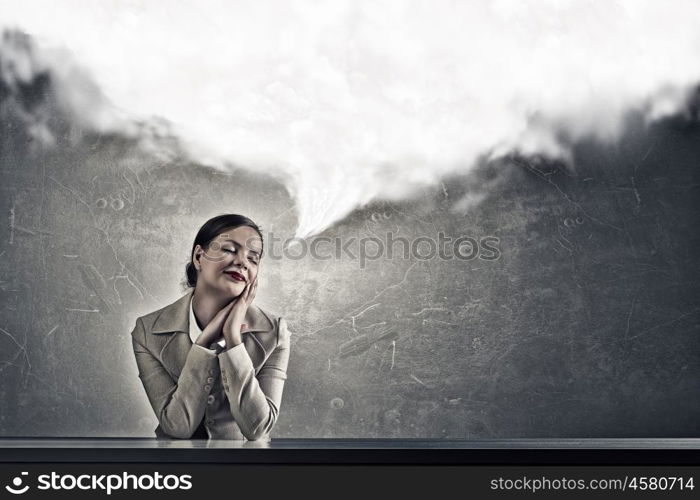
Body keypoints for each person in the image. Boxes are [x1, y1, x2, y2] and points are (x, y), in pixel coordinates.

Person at [130, 214, 291, 440]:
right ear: (198, 257)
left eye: (253, 258)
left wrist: (234, 339)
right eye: (229, 249)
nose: (242, 262)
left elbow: (258, 429)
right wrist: (204, 343)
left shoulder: (274, 332)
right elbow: (178, 427)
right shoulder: (148, 331)